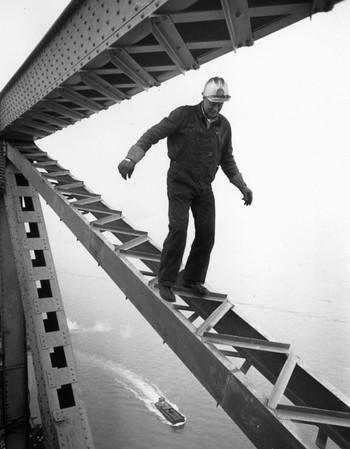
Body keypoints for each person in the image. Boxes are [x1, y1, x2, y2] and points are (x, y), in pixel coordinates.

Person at [118, 77, 253, 303]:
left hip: (204, 186)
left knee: (207, 232)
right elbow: (153, 134)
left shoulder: (224, 126)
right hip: (180, 182)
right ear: (203, 98)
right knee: (179, 230)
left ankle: (192, 279)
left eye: (220, 104)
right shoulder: (183, 115)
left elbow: (227, 159)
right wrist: (131, 158)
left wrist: (243, 186)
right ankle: (166, 282)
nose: (216, 108)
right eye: (213, 103)